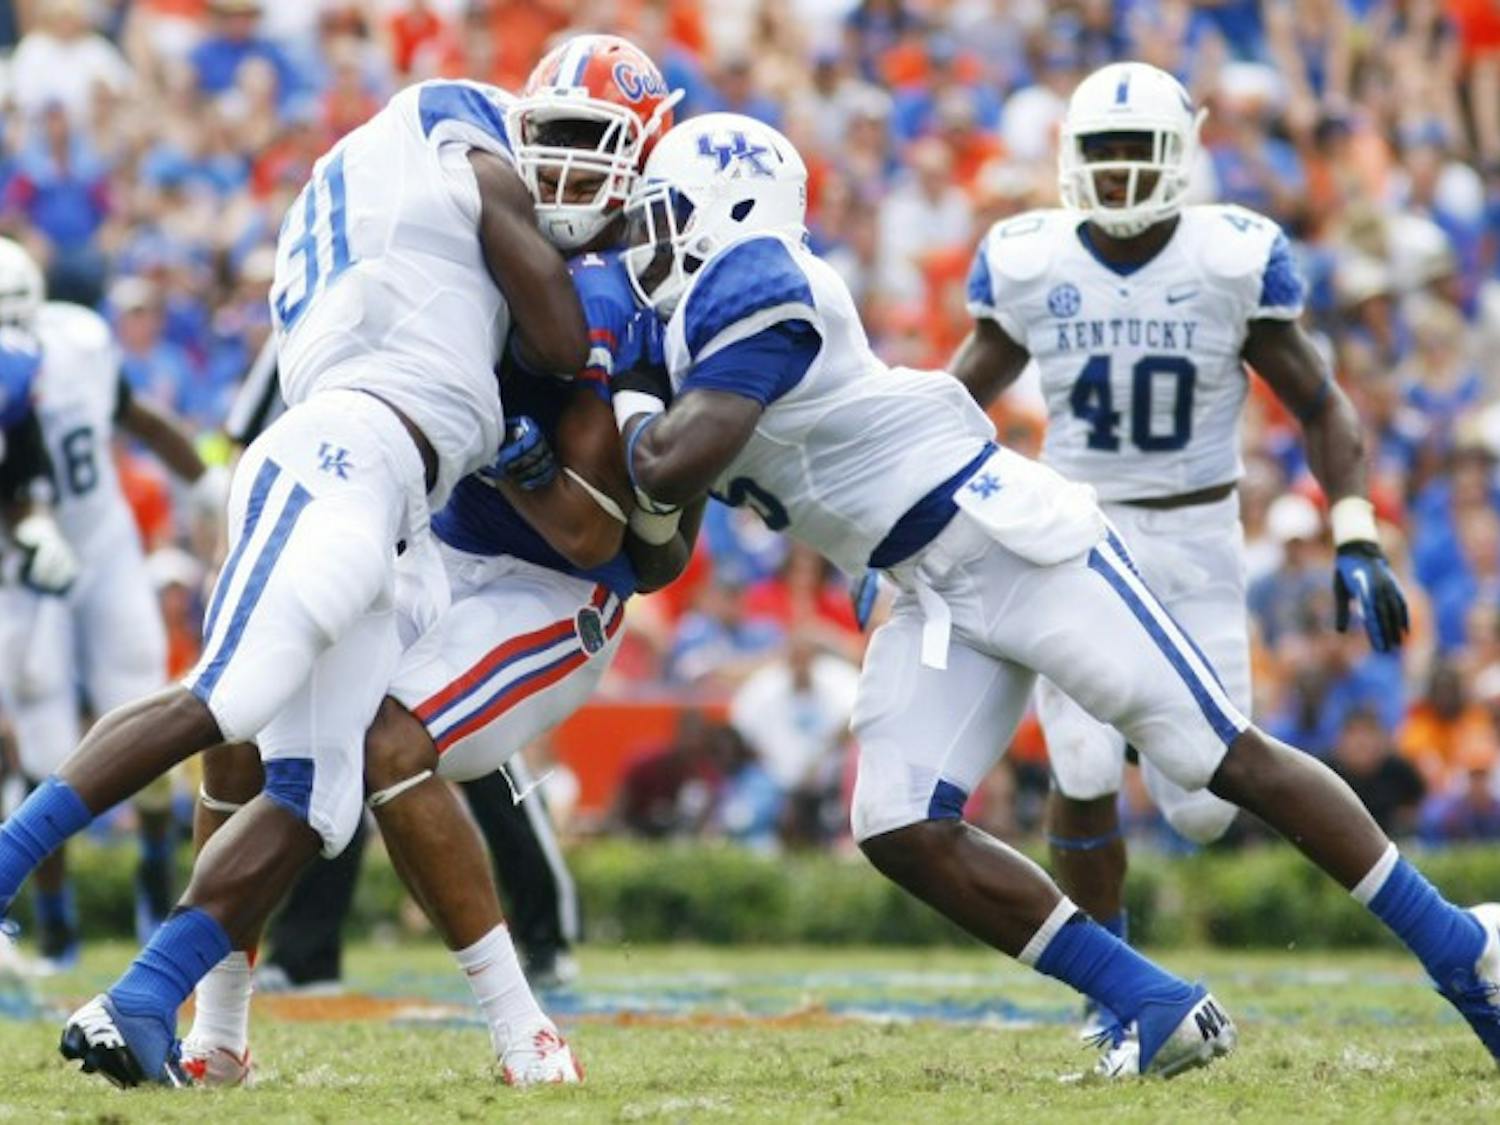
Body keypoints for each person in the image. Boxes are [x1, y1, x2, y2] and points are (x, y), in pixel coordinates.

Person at [612, 109, 1499, 1079]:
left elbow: (663, 465)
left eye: (665, 211)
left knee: (1218, 758)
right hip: (925, 586)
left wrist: (614, 391)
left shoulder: (759, 280)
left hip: (1008, 543)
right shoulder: (685, 325)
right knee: (898, 823)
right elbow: (659, 534)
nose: (644, 237)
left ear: (728, 209)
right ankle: (1152, 1003)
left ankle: (1463, 950)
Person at [0, 70, 590, 1087]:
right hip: (341, 455)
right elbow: (565, 342)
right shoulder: (452, 132)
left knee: (319, 798)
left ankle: (146, 999)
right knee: (227, 694)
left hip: (387, 485)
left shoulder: (365, 202)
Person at [177, 36, 691, 1087]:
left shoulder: (638, 282)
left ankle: (523, 1026)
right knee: (252, 728)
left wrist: (519, 451)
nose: (568, 168)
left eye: (595, 145)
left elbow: (603, 534)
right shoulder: (455, 232)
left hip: (556, 586)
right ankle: (212, 1025)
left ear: (644, 155)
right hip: (449, 548)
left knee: (383, 745)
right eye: (551, 139)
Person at [949, 59, 1410, 1032]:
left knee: (1202, 803)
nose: (1116, 176)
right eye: (1100, 155)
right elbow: (954, 402)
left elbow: (1322, 403)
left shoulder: (1231, 256)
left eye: (1136, 153)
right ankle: (1110, 994)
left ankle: (1143, 758)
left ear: (1180, 156)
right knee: (1077, 763)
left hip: (1198, 537)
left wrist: (1357, 529)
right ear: (1071, 158)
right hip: (1072, 531)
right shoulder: (1033, 256)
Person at [0, 239, 225, 968]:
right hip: (21, 561)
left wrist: (206, 482)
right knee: (42, 736)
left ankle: (156, 871)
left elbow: (138, 417)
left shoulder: (83, 344)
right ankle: (57, 920)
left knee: (145, 713)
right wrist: (26, 532)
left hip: (104, 547)